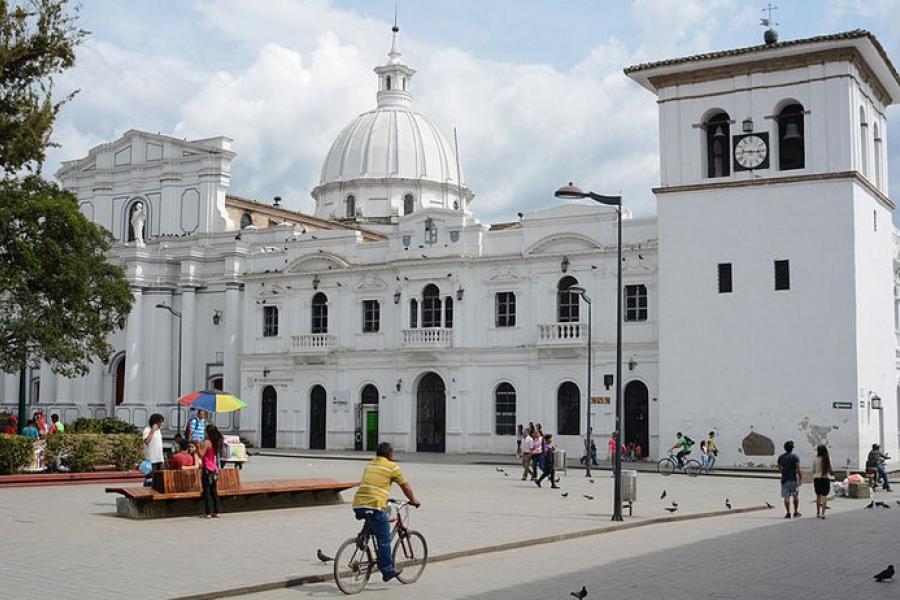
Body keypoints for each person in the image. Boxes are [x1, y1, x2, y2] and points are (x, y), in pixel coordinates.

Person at [352, 442, 421, 582]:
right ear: (390, 454)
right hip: (374, 504)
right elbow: (405, 486)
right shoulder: (392, 467)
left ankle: (362, 538)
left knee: (372, 519)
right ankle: (388, 571)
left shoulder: (369, 465)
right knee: (384, 538)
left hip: (359, 504)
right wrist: (413, 500)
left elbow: (373, 485)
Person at [196, 423, 224, 517]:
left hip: (207, 468)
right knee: (214, 490)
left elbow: (201, 454)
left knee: (207, 491)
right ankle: (217, 511)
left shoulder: (207, 442)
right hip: (214, 469)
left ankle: (208, 512)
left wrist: (197, 445)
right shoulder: (216, 442)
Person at [777, 440, 802, 518]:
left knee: (786, 497)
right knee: (795, 496)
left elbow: (779, 468)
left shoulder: (781, 457)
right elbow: (798, 469)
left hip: (785, 479)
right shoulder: (795, 457)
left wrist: (783, 472)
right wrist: (801, 477)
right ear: (792, 448)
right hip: (794, 479)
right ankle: (795, 511)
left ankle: (788, 512)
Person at [812, 444, 833, 519]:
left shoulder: (815, 459)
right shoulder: (828, 458)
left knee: (818, 496)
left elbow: (813, 470)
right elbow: (831, 469)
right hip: (826, 479)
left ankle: (818, 512)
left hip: (817, 479)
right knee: (824, 496)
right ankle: (823, 513)